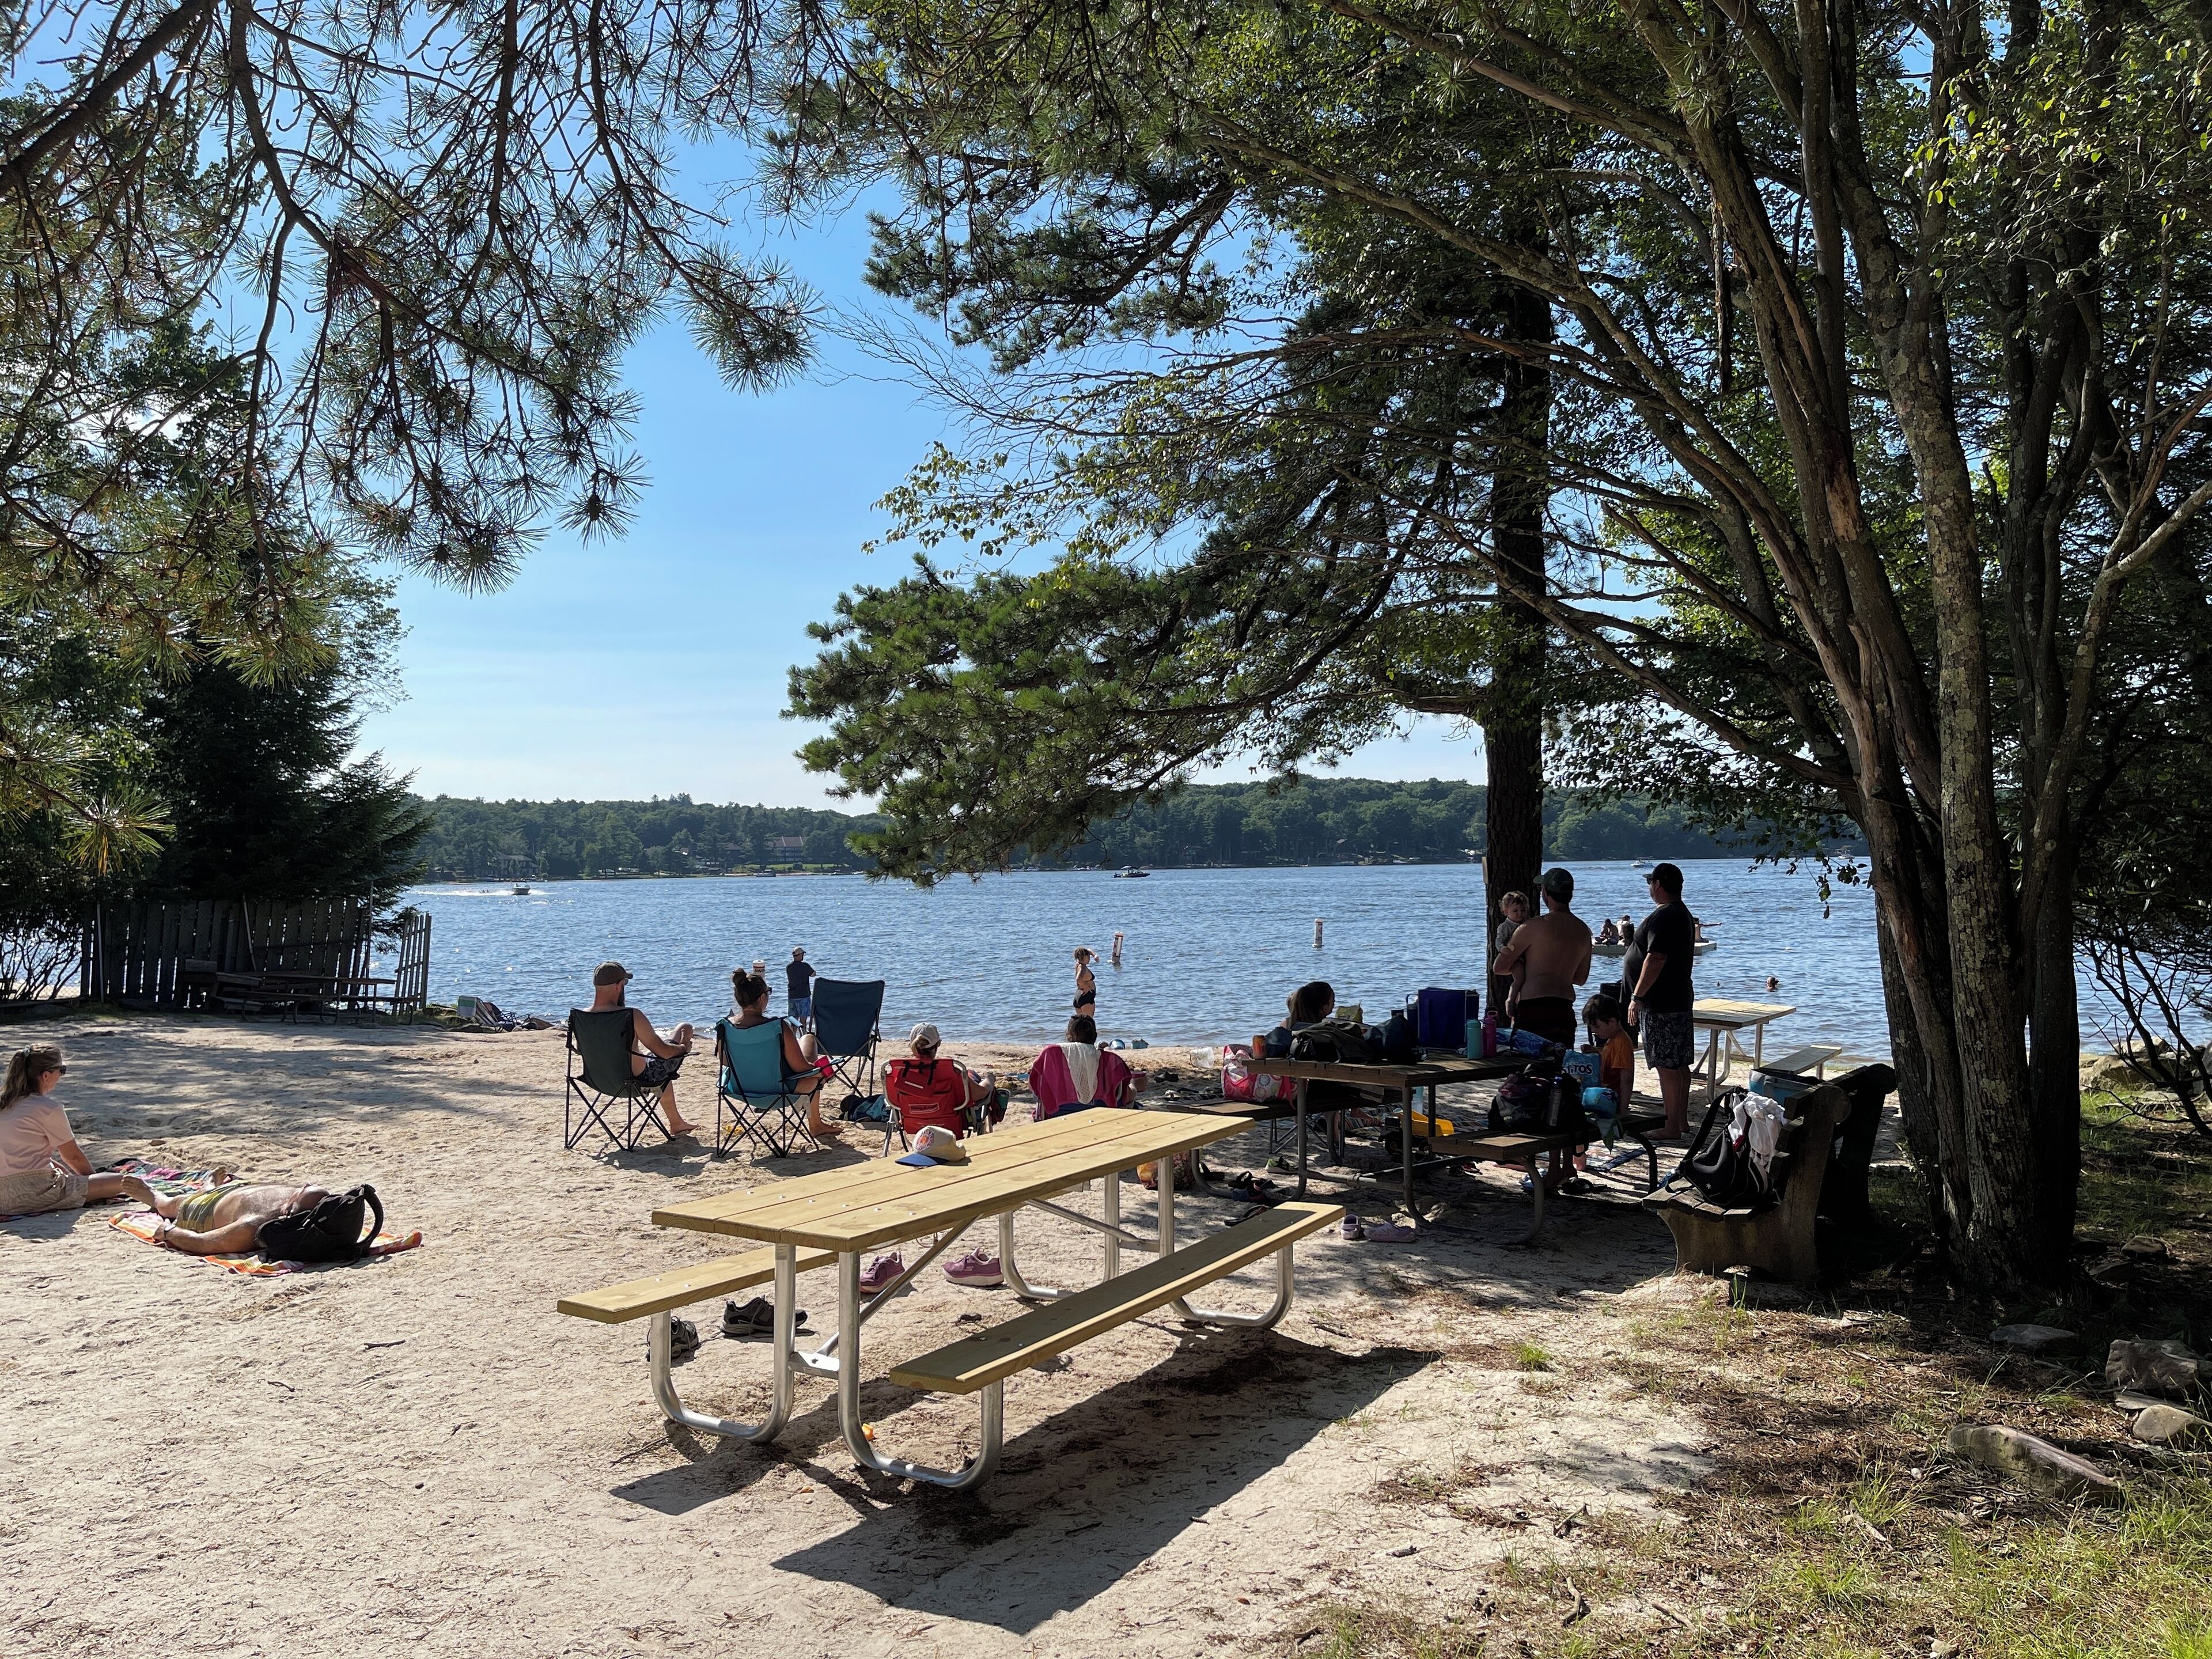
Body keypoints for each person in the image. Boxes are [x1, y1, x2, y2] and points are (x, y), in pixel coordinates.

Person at [0, 1046, 153, 1217]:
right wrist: (91, 1180)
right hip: (32, 1194)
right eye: (62, 1070)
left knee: (62, 1171)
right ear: (46, 1076)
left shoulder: (5, 1105)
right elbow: (73, 1157)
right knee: (126, 1182)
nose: (61, 1075)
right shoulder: (48, 1109)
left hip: (2, 1197)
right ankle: (162, 1202)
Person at [1623, 862, 1698, 1137]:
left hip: (1661, 1002)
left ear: (1658, 885)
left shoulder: (1665, 915)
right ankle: (1680, 1121)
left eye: (1650, 883)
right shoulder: (1681, 913)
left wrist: (1637, 996)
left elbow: (1655, 958)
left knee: (1667, 1064)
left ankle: (1670, 1126)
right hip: (1677, 998)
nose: (1649, 888)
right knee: (1678, 1063)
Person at [728, 967, 842, 1142]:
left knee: (807, 1049)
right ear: (763, 998)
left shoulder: (726, 1027)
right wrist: (820, 1072)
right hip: (778, 1091)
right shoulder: (778, 1027)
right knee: (811, 1056)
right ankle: (816, 1125)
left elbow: (725, 1062)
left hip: (741, 1089)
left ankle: (815, 1120)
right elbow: (802, 1069)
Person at [589, 961, 700, 1137]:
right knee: (666, 1060)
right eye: (625, 983)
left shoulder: (581, 1017)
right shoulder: (631, 1016)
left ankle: (677, 1123)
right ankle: (676, 1123)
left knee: (657, 1064)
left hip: (598, 1081)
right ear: (618, 986)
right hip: (636, 1081)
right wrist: (683, 1048)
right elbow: (664, 1053)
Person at [1488, 867, 1593, 1047]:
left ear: (1545, 893)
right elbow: (1581, 978)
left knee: (1527, 1063)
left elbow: (1499, 968)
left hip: (1533, 1009)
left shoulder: (1531, 927)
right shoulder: (1584, 931)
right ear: (1570, 894)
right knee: (1559, 1062)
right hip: (1564, 1011)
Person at [139, 1177, 347, 1257]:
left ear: (288, 1210)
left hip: (205, 1208)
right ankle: (210, 1186)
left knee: (172, 1205)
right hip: (239, 1189)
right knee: (208, 1193)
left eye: (303, 1190)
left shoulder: (253, 1226)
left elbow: (203, 1243)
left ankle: (154, 1196)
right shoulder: (305, 1204)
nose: (306, 1184)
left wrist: (169, 1232)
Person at [883, 1023, 999, 1140]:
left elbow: (893, 1102)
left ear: (912, 1045)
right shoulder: (951, 1072)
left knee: (969, 1075)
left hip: (913, 1123)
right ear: (938, 1044)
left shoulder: (899, 1072)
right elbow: (980, 1093)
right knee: (970, 1074)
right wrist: (989, 1079)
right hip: (949, 1123)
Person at [1028, 1014, 1139, 1118]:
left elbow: (1033, 1086)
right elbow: (1125, 1097)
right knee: (1132, 1090)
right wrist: (1134, 1088)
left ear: (1068, 1035)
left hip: (1057, 1113)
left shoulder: (1051, 1054)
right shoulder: (1112, 1060)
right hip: (1100, 1113)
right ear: (1095, 1036)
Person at [1585, 991, 1636, 1107]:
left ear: (1612, 1021)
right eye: (1591, 1027)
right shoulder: (1612, 1039)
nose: (1593, 1031)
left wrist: (1624, 1109)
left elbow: (1627, 1078)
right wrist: (1596, 1052)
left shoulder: (1621, 1042)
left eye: (1597, 1027)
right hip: (1606, 1095)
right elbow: (1610, 1060)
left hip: (1611, 1100)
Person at [1263, 980, 1337, 1056]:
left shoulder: (1288, 1025)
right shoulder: (1327, 1031)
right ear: (1325, 1008)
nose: (1334, 1003)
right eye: (1333, 1001)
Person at [1493, 891, 1532, 1021]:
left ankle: (1521, 1001)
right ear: (1506, 912)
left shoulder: (1528, 924)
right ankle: (1511, 999)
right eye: (1515, 911)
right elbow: (1499, 941)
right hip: (1516, 959)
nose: (1520, 914)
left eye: (1523, 910)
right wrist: (1502, 949)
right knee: (1520, 979)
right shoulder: (1505, 927)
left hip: (1528, 957)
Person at [786, 946, 817, 1029]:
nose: (803, 956)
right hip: (804, 995)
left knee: (794, 1020)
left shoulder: (789, 967)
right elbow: (813, 974)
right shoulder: (805, 966)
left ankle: (793, 1035)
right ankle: (803, 1035)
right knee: (803, 1020)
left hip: (792, 996)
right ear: (800, 955)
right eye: (803, 954)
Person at [1071, 947, 1098, 1015]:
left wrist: (1095, 956)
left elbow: (1089, 950)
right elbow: (1078, 979)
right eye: (1089, 957)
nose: (1090, 959)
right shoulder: (1082, 968)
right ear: (1085, 957)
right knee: (1088, 1021)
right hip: (1086, 998)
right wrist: (1085, 987)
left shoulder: (1078, 964)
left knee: (1080, 1021)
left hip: (1079, 996)